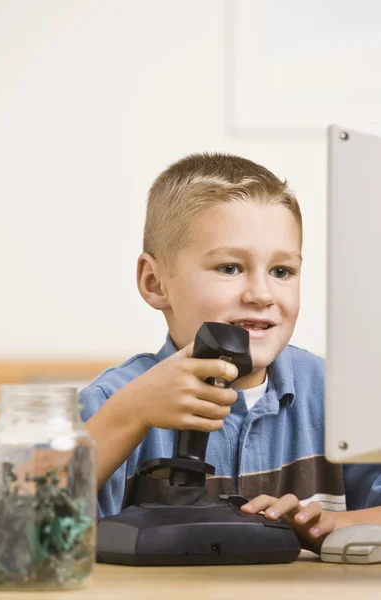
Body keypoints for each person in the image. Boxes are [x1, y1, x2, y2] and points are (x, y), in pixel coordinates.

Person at [79, 153, 381, 553]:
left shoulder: (335, 394)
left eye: (282, 272)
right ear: (155, 283)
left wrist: (330, 524)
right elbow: (28, 525)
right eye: (229, 268)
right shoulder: (111, 402)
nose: (260, 294)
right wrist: (128, 415)